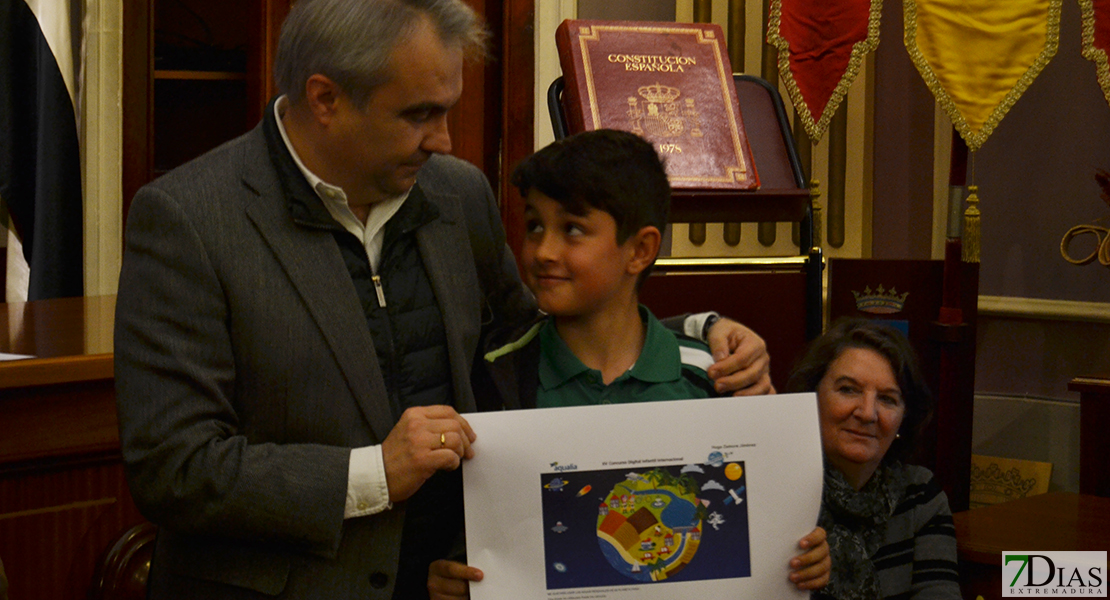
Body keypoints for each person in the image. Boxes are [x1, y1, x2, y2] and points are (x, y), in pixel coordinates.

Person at [113, 1, 773, 599]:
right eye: (419, 114)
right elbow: (175, 467)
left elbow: (530, 339)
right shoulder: (188, 218)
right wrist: (374, 474)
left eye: (447, 110)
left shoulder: (457, 194)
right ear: (325, 98)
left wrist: (697, 332)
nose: (444, 140)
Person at [427, 130, 830, 599]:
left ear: (639, 250)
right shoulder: (495, 378)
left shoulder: (714, 377)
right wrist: (452, 578)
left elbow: (761, 525)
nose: (543, 251)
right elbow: (471, 535)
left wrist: (801, 557)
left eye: (572, 229)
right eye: (534, 225)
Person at [785, 318, 961, 600]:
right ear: (812, 396)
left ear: (904, 418)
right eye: (848, 389)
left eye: (887, 399)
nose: (868, 413)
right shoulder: (778, 493)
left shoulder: (920, 495)